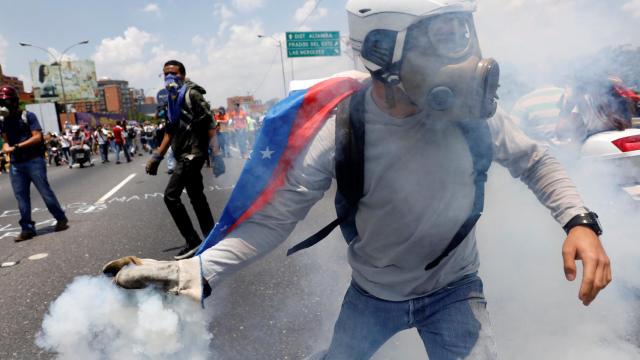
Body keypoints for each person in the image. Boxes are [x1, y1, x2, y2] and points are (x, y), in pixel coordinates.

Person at [104, 2, 611, 359]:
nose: (463, 61)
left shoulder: (470, 114)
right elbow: (274, 221)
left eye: (462, 37)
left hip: (455, 290)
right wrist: (198, 271)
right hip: (373, 295)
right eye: (441, 41)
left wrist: (580, 222)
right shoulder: (343, 129)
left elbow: (536, 161)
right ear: (382, 51)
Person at [145, 60, 216, 259]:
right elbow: (170, 131)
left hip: (193, 154)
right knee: (196, 196)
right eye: (166, 74)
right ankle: (212, 237)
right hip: (182, 154)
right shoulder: (171, 99)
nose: (169, 77)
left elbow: (211, 124)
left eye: (173, 73)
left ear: (183, 75)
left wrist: (217, 155)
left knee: (171, 195)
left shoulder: (192, 94)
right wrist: (156, 157)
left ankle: (192, 240)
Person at [0, 85, 69, 241]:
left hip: (34, 161)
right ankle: (27, 229)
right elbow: (5, 141)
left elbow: (37, 136)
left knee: (45, 192)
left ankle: (61, 219)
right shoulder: (3, 121)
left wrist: (17, 146)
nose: (4, 105)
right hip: (16, 164)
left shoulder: (28, 116)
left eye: (6, 101)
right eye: (1, 102)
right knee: (21, 197)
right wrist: (6, 148)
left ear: (14, 101)